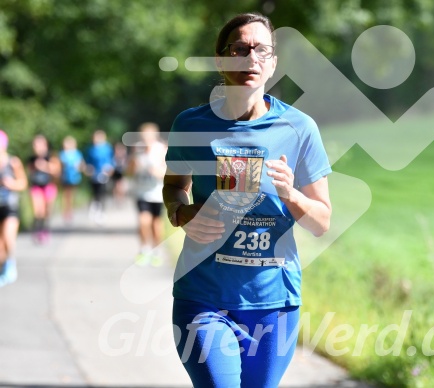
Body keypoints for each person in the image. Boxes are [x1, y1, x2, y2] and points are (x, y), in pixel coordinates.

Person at [163, 13, 332, 388]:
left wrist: (291, 195)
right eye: (240, 49)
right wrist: (180, 211)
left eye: (261, 50)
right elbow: (174, 185)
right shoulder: (191, 125)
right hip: (203, 295)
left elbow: (322, 222)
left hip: (274, 302)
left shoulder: (299, 128)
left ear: (272, 64)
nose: (250, 58)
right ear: (221, 60)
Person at [126, 123, 167, 266]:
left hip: (157, 193)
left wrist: (157, 172)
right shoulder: (137, 149)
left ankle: (156, 251)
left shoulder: (161, 149)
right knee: (144, 221)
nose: (146, 139)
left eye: (149, 136)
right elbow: (129, 172)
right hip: (141, 192)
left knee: (156, 224)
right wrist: (133, 163)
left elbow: (168, 173)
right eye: (144, 136)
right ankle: (144, 249)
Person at [0, 130, 28, 287]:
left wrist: (11, 184)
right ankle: (4, 266)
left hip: (10, 206)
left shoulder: (13, 162)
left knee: (8, 235)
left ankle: (10, 266)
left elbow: (23, 183)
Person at [28, 134, 60, 243]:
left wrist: (45, 166)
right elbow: (29, 172)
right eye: (35, 144)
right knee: (38, 210)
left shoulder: (51, 156)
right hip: (36, 186)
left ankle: (45, 229)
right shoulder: (32, 159)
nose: (37, 147)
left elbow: (57, 171)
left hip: (48, 186)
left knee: (47, 211)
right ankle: (38, 229)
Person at [84, 129, 114, 225]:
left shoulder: (107, 148)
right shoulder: (91, 149)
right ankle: (95, 208)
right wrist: (88, 169)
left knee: (102, 193)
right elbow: (88, 161)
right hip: (94, 174)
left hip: (104, 174)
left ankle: (101, 212)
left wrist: (109, 169)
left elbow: (111, 160)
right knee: (95, 193)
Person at [59, 136, 85, 223]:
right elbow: (60, 166)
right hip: (65, 177)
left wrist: (80, 167)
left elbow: (81, 164)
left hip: (74, 177)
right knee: (66, 195)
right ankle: (65, 211)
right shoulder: (62, 154)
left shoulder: (77, 153)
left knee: (72, 194)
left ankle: (70, 210)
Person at [112, 142, 128, 206]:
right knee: (117, 187)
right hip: (116, 174)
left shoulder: (124, 158)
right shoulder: (114, 158)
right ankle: (117, 199)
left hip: (122, 174)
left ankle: (121, 199)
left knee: (122, 187)